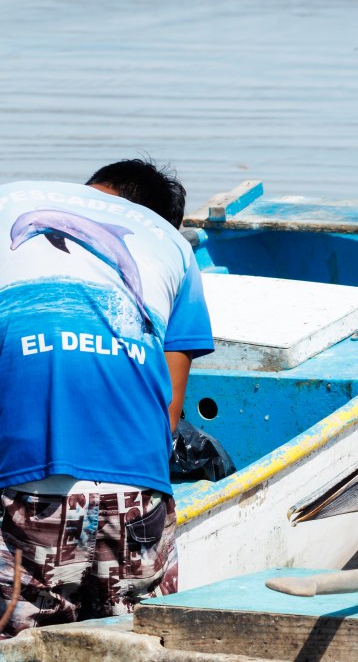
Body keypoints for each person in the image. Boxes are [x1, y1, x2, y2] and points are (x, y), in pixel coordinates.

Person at [0, 159, 214, 638]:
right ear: (158, 217)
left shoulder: (13, 198)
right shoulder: (173, 245)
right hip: (137, 494)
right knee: (137, 639)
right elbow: (169, 413)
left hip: (28, 488)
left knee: (17, 645)